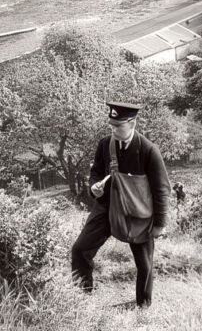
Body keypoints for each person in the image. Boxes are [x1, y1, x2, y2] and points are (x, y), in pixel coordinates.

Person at [70, 101, 171, 307]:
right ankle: (82, 299)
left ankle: (143, 307)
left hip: (137, 213)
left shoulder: (149, 150)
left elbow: (161, 189)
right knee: (80, 250)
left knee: (144, 265)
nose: (114, 130)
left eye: (119, 125)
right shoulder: (104, 144)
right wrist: (93, 187)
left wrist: (159, 224)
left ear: (132, 122)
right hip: (107, 207)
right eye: (111, 125)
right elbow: (96, 172)